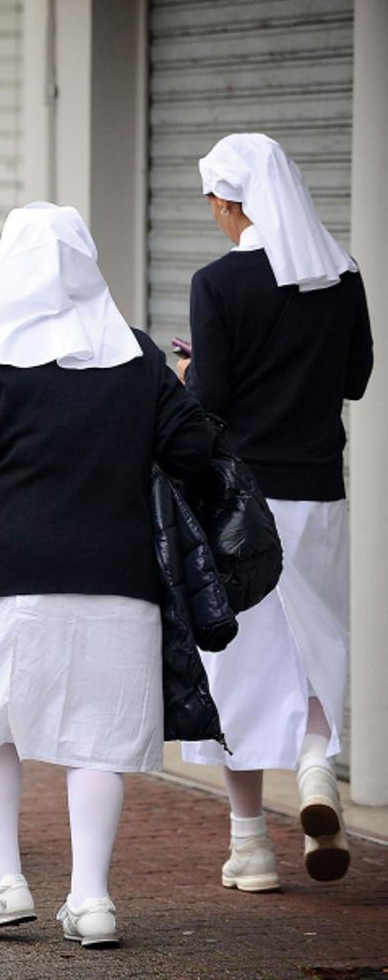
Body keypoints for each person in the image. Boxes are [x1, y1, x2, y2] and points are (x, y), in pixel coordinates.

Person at [0, 203, 215, 949]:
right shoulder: (134, 354)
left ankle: (1, 881)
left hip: (10, 568)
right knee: (98, 740)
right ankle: (92, 900)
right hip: (119, 573)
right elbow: (193, 452)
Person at [178, 133, 373, 889]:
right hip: (319, 493)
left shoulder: (218, 283)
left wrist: (189, 372)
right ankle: (317, 767)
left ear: (230, 202)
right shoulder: (341, 271)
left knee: (242, 662)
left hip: (240, 500)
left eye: (214, 202)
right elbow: (355, 379)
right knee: (317, 640)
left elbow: (211, 401)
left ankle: (251, 846)